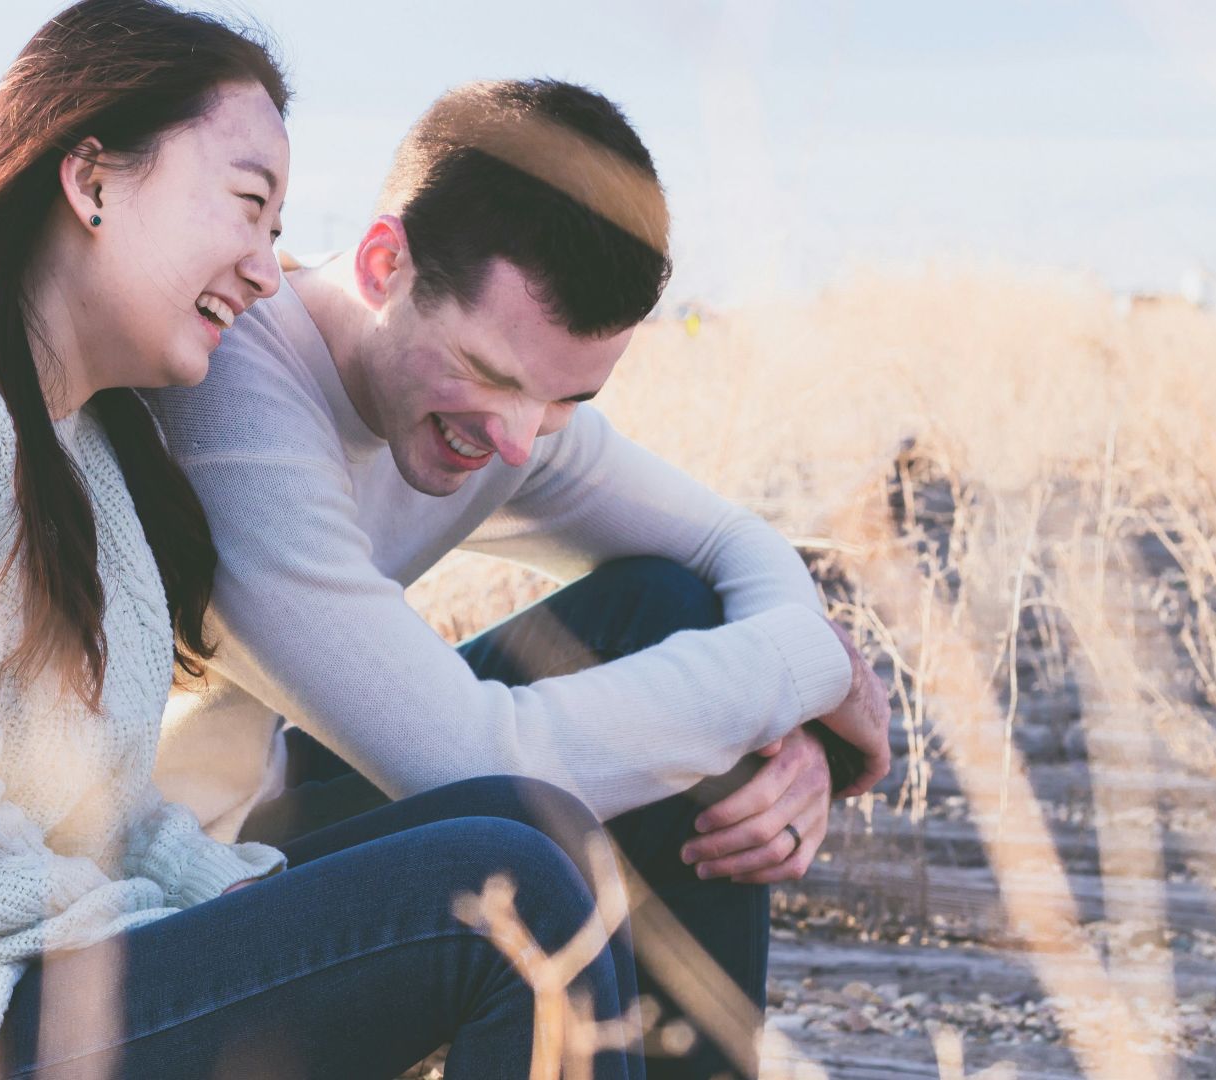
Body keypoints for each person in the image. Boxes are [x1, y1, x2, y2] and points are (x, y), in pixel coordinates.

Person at [0, 5, 639, 1078]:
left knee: (535, 822)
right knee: (510, 896)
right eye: (247, 206)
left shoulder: (85, 447)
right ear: (92, 181)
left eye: (277, 231)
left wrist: (251, 908)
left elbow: (109, 816)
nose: (267, 271)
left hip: (38, 982)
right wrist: (193, 938)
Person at [143, 78, 893, 1077]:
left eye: (568, 399)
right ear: (383, 265)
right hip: (161, 906)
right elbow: (473, 761)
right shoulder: (234, 393)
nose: (515, 440)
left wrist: (785, 732)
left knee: (672, 607)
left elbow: (729, 542)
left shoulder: (512, 411)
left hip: (264, 811)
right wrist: (804, 668)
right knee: (543, 837)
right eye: (491, 374)